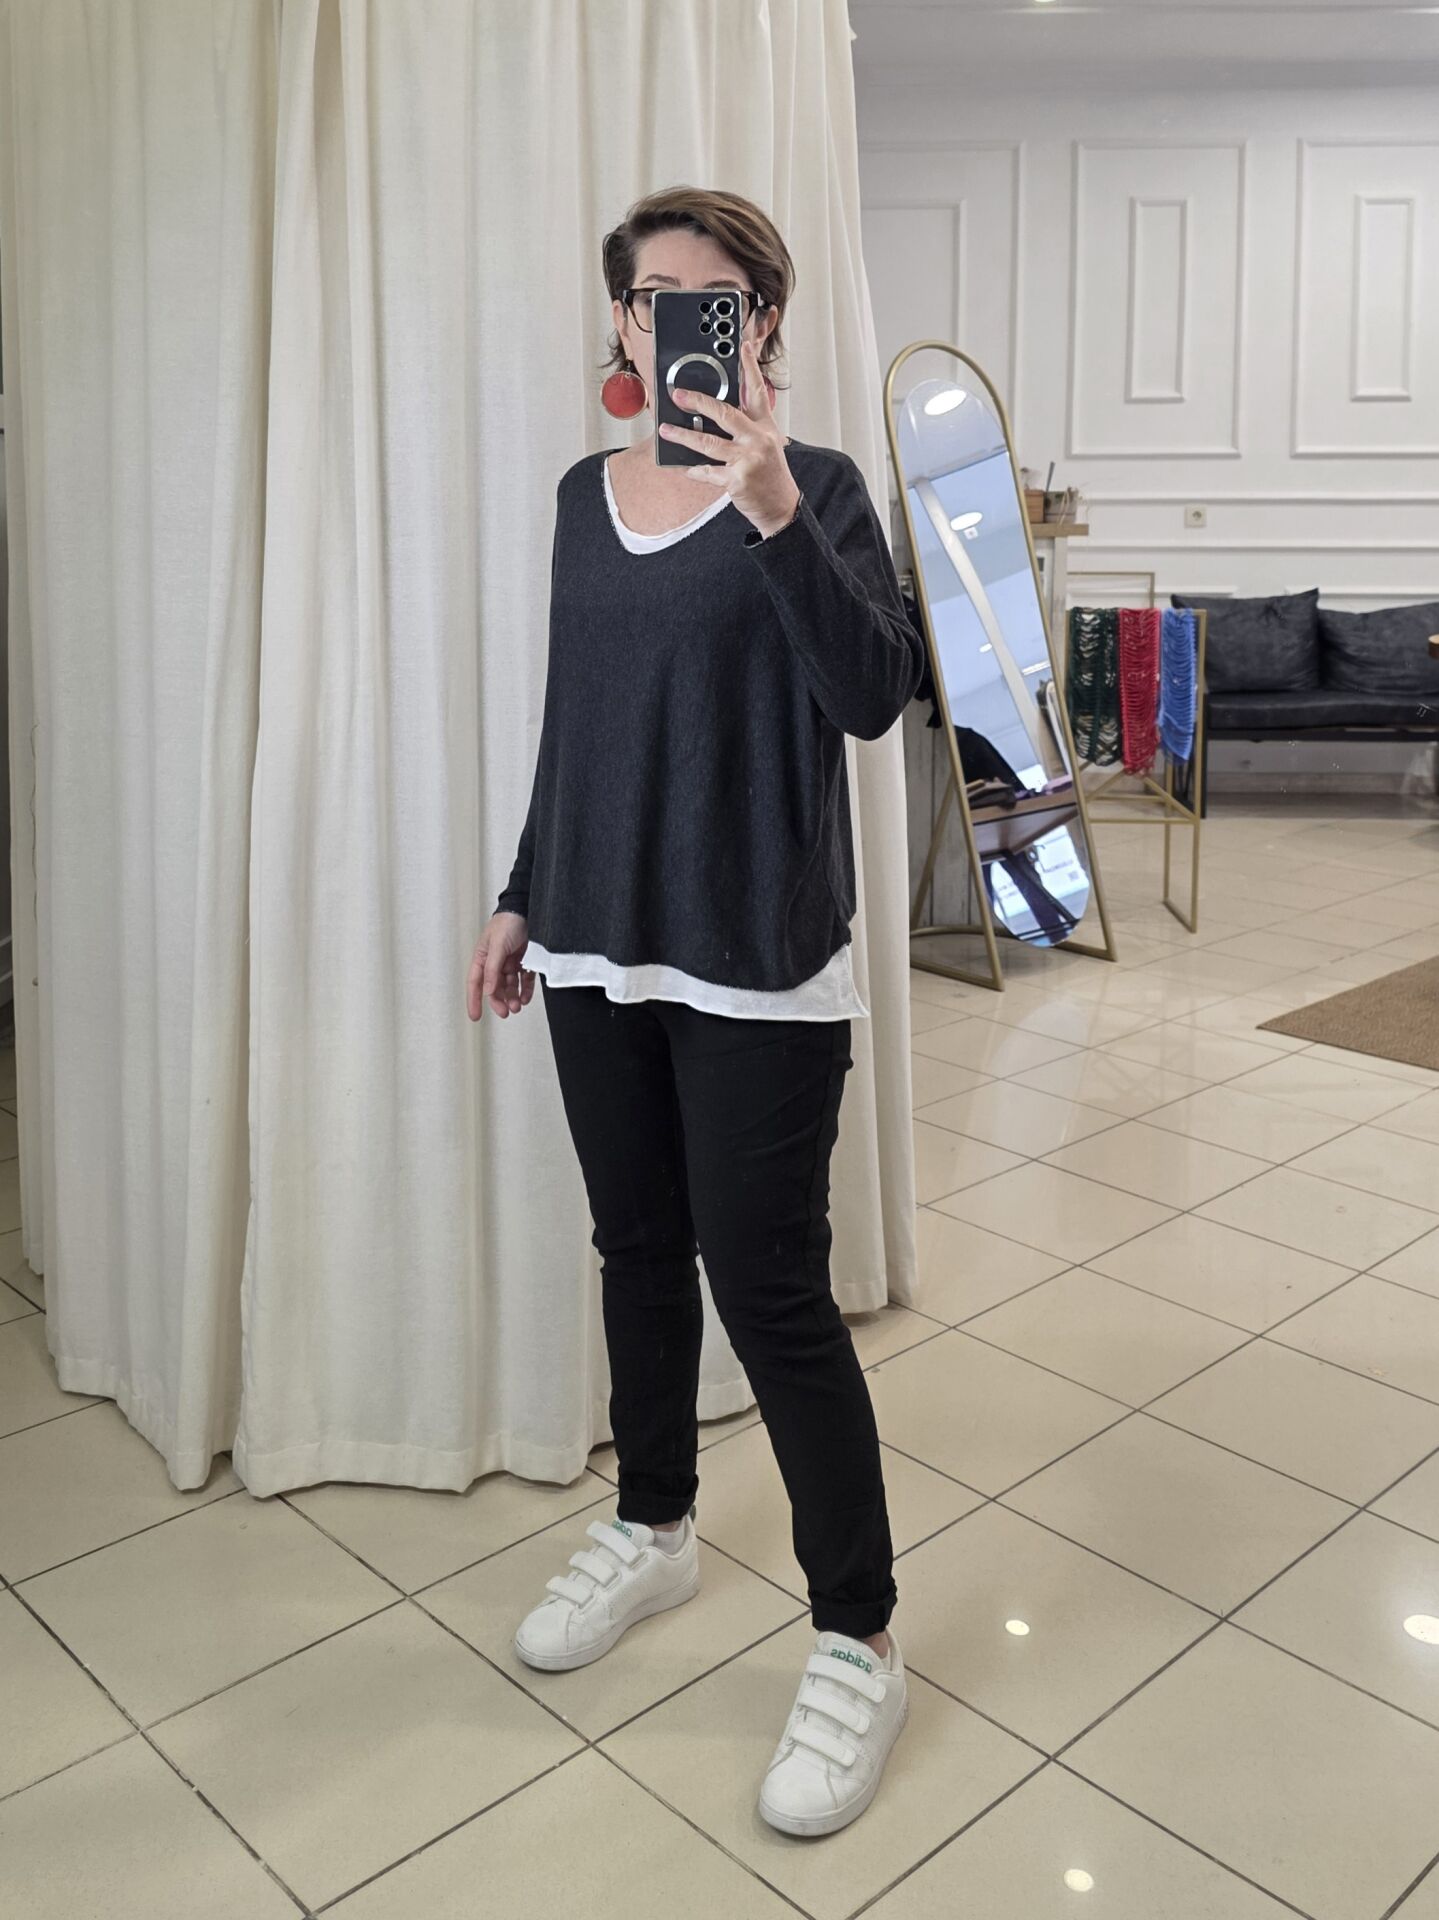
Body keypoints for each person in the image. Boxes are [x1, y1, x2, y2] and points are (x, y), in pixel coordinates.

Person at [465, 185, 924, 1838]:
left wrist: (775, 504)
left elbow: (874, 697)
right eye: (651, 295)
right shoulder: (581, 500)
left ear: (763, 325)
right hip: (598, 942)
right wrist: (524, 891)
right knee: (637, 1251)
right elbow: (573, 721)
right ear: (622, 322)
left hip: (754, 954)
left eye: (711, 296)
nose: (675, 319)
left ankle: (859, 1633)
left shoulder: (824, 489)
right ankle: (653, 1524)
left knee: (773, 1292)